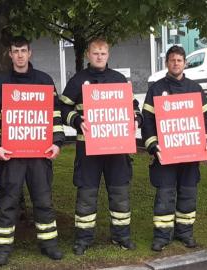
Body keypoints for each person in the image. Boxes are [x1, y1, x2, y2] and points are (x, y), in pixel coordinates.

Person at [0, 36, 65, 266]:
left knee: (43, 200)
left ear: (30, 53)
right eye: (15, 51)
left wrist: (57, 142)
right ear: (9, 54)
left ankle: (49, 244)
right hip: (11, 155)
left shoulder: (44, 80)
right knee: (7, 201)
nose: (19, 55)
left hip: (40, 155)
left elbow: (54, 115)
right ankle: (1, 248)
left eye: (23, 50)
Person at [59, 37, 141, 255]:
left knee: (120, 193)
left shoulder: (119, 79)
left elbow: (134, 106)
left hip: (117, 148)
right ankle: (83, 240)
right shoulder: (78, 80)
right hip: (88, 150)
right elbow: (62, 108)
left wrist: (136, 120)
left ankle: (122, 236)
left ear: (108, 55)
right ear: (88, 54)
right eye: (95, 53)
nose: (99, 57)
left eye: (103, 53)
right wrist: (77, 120)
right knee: (86, 194)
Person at [141, 45, 207, 252]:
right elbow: (147, 122)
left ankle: (185, 233)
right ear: (167, 63)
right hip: (165, 155)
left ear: (185, 63)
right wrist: (153, 146)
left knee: (188, 194)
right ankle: (162, 236)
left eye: (179, 60)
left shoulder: (195, 88)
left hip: (190, 155)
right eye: (172, 60)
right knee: (165, 195)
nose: (176, 63)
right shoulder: (156, 89)